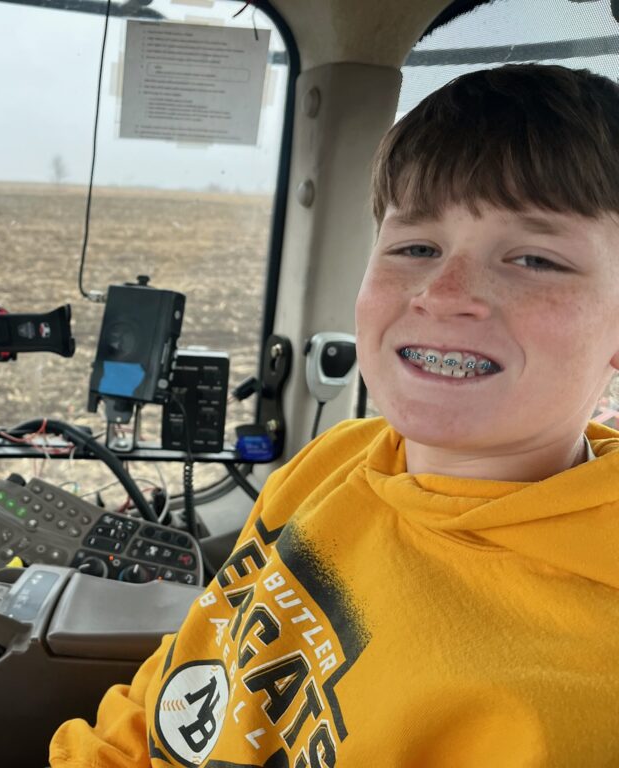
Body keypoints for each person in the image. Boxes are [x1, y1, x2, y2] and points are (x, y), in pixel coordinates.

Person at [49, 63, 619, 767]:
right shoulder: (338, 458)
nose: (444, 293)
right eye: (416, 247)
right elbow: (185, 680)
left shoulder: (583, 695)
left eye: (534, 259)